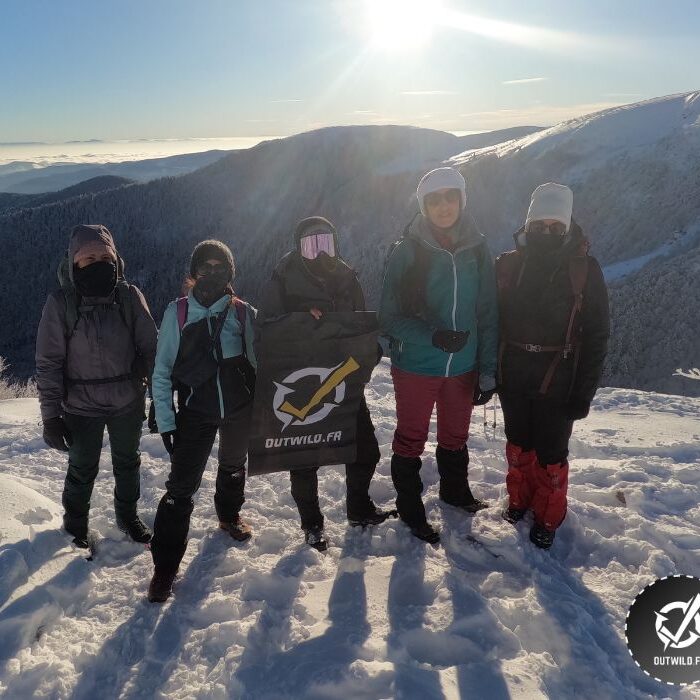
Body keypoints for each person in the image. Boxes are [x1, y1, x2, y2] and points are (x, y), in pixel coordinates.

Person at [379, 167, 499, 544]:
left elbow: (488, 312)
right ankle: (411, 505)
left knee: (455, 435)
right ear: (424, 206)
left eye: (450, 197)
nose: (443, 206)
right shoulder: (407, 251)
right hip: (416, 363)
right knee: (411, 437)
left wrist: (489, 369)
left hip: (463, 366)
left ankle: (454, 491)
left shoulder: (477, 250)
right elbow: (389, 318)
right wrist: (433, 336)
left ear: (462, 200)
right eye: (434, 200)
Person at [257, 216, 390, 551]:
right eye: (310, 245)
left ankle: (358, 507)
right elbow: (266, 326)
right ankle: (312, 525)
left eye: (326, 244)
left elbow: (359, 322)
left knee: (366, 450)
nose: (319, 254)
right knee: (304, 458)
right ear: (298, 248)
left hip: (342, 378)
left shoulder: (346, 277)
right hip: (301, 378)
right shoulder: (284, 277)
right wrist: (300, 321)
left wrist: (369, 350)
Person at [496, 183, 609, 549]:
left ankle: (548, 515)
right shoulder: (508, 265)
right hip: (513, 374)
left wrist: (584, 392)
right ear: (528, 225)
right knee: (518, 444)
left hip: (559, 379)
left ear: (567, 227)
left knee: (551, 453)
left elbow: (596, 336)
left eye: (556, 226)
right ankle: (520, 500)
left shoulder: (584, 270)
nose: (547, 232)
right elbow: (491, 321)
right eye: (540, 225)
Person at [35, 224, 157, 547]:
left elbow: (152, 350)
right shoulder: (61, 303)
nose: (97, 262)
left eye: (104, 256)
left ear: (115, 259)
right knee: (81, 468)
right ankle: (75, 526)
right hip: (80, 406)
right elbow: (49, 364)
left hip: (126, 401)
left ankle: (127, 516)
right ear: (74, 264)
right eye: (88, 258)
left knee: (128, 464)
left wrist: (160, 400)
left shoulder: (130, 297)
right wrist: (50, 416)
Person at [148, 240, 257, 602]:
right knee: (180, 489)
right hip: (195, 412)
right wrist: (166, 421)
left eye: (219, 268)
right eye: (204, 268)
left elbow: (259, 363)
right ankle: (164, 569)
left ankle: (229, 516)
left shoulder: (243, 314)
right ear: (192, 274)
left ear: (231, 274)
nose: (211, 274)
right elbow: (161, 371)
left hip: (239, 408)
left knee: (233, 466)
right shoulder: (177, 312)